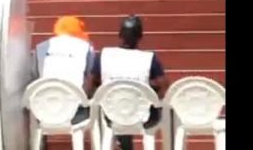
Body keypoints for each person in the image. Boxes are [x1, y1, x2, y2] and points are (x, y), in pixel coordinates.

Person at [88, 15, 169, 150]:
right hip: (142, 116)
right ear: (140, 36)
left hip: (111, 114)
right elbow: (165, 88)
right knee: (135, 102)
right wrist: (148, 90)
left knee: (119, 102)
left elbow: (90, 86)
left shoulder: (104, 55)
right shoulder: (149, 58)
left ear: (120, 34)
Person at [30, 16, 95, 133]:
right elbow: (89, 73)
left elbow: (35, 74)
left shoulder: (40, 47)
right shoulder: (86, 48)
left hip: (43, 109)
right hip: (74, 110)